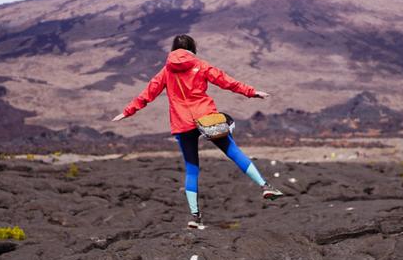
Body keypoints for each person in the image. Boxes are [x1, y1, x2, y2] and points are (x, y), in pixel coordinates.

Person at [112, 34, 283, 229]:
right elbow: (226, 81)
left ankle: (195, 217)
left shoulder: (166, 71)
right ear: (192, 48)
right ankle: (265, 186)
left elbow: (147, 94)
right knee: (233, 151)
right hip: (206, 118)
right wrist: (251, 92)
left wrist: (127, 112)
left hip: (182, 124)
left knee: (192, 168)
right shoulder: (200, 65)